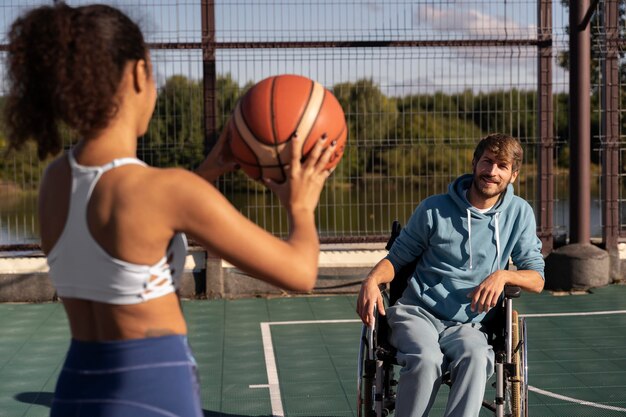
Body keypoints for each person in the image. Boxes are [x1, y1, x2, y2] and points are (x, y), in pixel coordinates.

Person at [4, 3, 335, 417]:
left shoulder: (55, 181)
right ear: (139, 73)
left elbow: (134, 227)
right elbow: (300, 273)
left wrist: (207, 172)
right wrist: (301, 207)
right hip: (151, 395)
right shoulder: (167, 190)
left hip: (74, 392)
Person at [356, 133, 545, 417]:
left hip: (471, 325)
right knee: (426, 358)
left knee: (477, 356)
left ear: (513, 175)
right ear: (475, 163)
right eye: (487, 162)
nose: (492, 172)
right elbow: (397, 258)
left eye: (502, 166)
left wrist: (504, 276)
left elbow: (537, 278)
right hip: (418, 312)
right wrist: (372, 280)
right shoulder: (434, 208)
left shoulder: (519, 214)